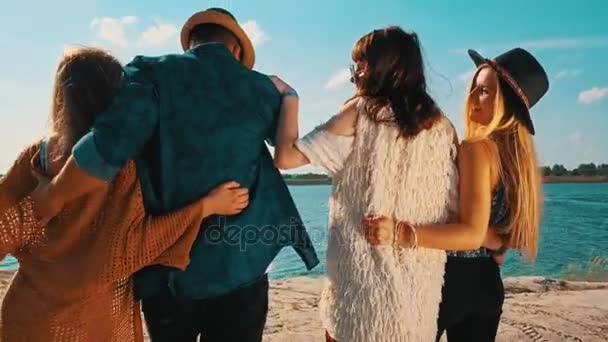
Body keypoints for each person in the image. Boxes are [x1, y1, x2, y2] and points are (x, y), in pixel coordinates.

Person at [30, 8, 319, 342]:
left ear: (191, 44)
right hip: (240, 267)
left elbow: (106, 147)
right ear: (236, 50)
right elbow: (287, 151)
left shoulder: (150, 73)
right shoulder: (257, 88)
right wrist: (289, 97)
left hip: (166, 271)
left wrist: (53, 195)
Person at [0, 46, 249, 341]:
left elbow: (4, 228)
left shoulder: (37, 156)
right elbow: (130, 248)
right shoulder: (125, 166)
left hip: (25, 318)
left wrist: (39, 203)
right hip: (97, 320)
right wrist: (205, 207)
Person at [272, 26, 459, 341]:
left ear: (388, 67)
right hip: (416, 305)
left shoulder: (361, 113)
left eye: (361, 65)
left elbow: (286, 158)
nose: (354, 75)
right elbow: (454, 212)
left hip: (359, 304)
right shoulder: (443, 129)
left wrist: (290, 99)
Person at [365, 47, 549, 341]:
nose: (473, 98)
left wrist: (399, 232)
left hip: (449, 281)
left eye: (486, 91)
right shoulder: (521, 167)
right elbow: (499, 249)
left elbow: (471, 234)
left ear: (507, 105)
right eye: (475, 88)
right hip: (488, 286)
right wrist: (492, 239)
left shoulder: (477, 148)